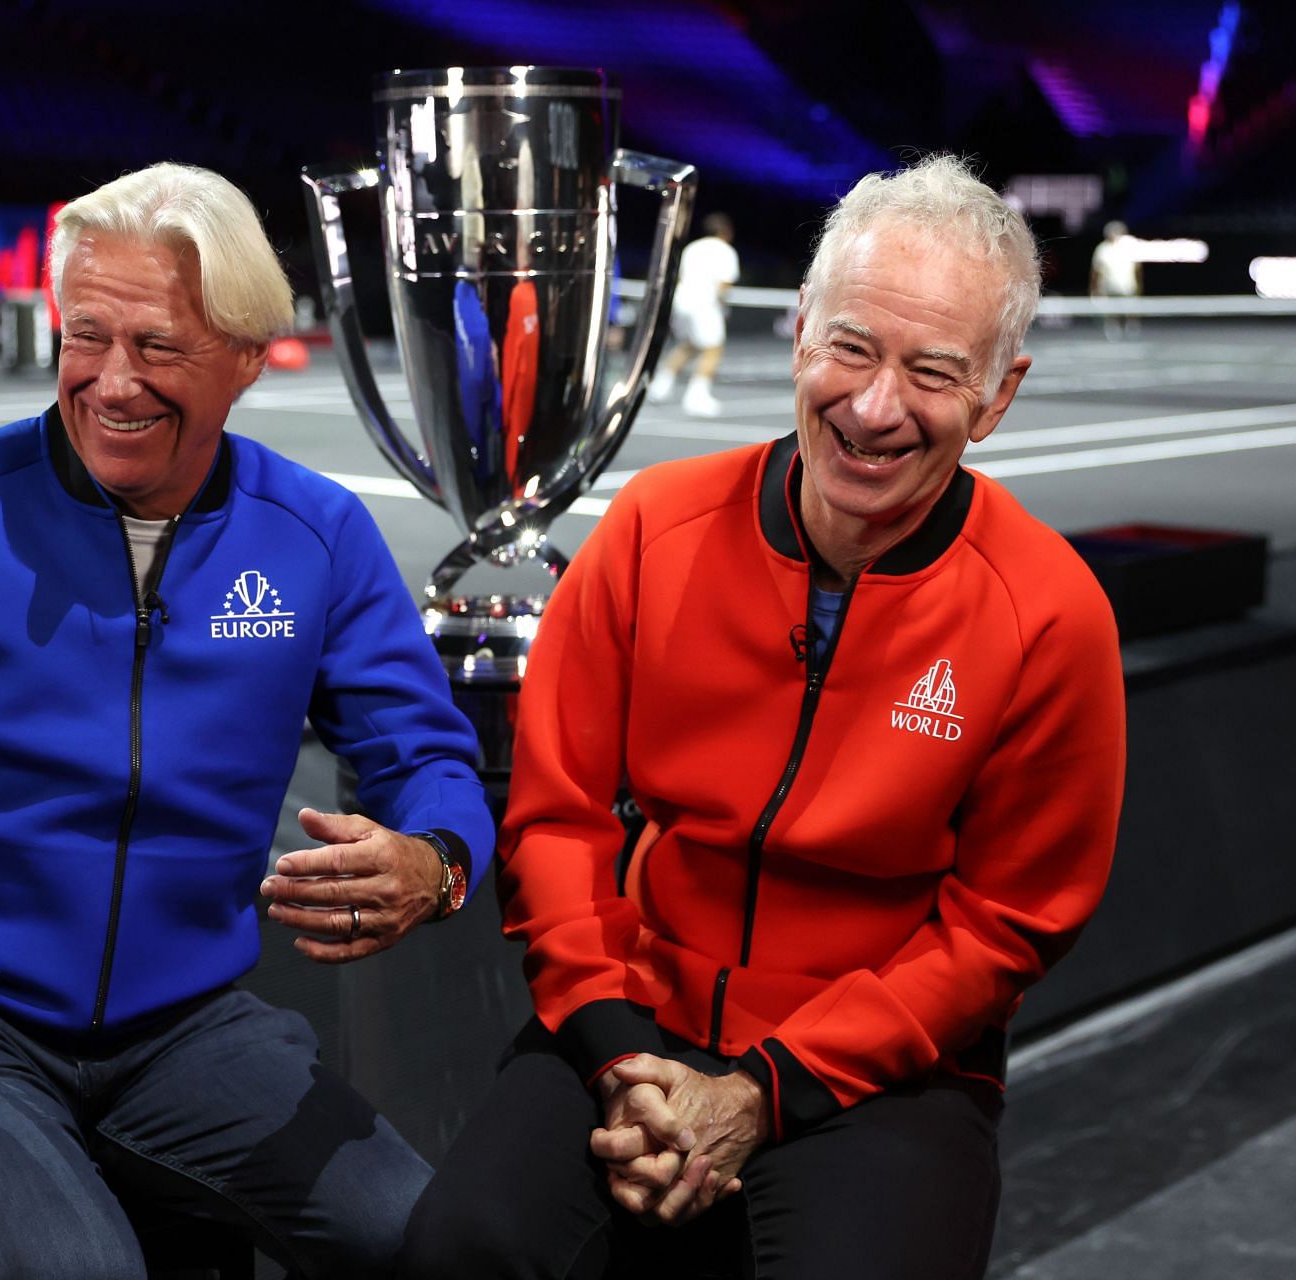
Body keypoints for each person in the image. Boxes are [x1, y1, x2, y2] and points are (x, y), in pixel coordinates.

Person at [0, 161, 493, 1279]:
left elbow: (425, 754)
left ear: (247, 356)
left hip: (190, 1029)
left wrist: (435, 859)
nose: (110, 380)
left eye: (159, 347)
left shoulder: (317, 534)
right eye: (84, 334)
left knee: (437, 1245)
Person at [402, 154, 1127, 1278]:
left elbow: (1005, 924)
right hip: (633, 1014)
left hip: (882, 1068)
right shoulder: (652, 529)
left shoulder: (1050, 612)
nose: (876, 406)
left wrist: (762, 1089)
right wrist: (620, 1058)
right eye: (851, 347)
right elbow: (556, 821)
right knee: (460, 1249)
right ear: (799, 334)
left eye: (933, 371)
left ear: (998, 394)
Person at [648, 212, 740, 417]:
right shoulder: (725, 251)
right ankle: (696, 397)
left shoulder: (692, 248)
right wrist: (720, 307)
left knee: (689, 345)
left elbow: (680, 278)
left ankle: (659, 387)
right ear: (725, 231)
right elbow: (724, 285)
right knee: (713, 349)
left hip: (681, 303)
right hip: (704, 305)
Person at [1089, 219, 1142, 340]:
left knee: (1130, 308)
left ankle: (1131, 328)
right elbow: (1096, 271)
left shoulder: (1131, 245)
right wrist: (1095, 288)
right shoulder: (1102, 249)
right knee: (1111, 309)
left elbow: (1138, 269)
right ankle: (1113, 329)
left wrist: (1139, 285)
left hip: (1128, 286)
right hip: (1109, 287)